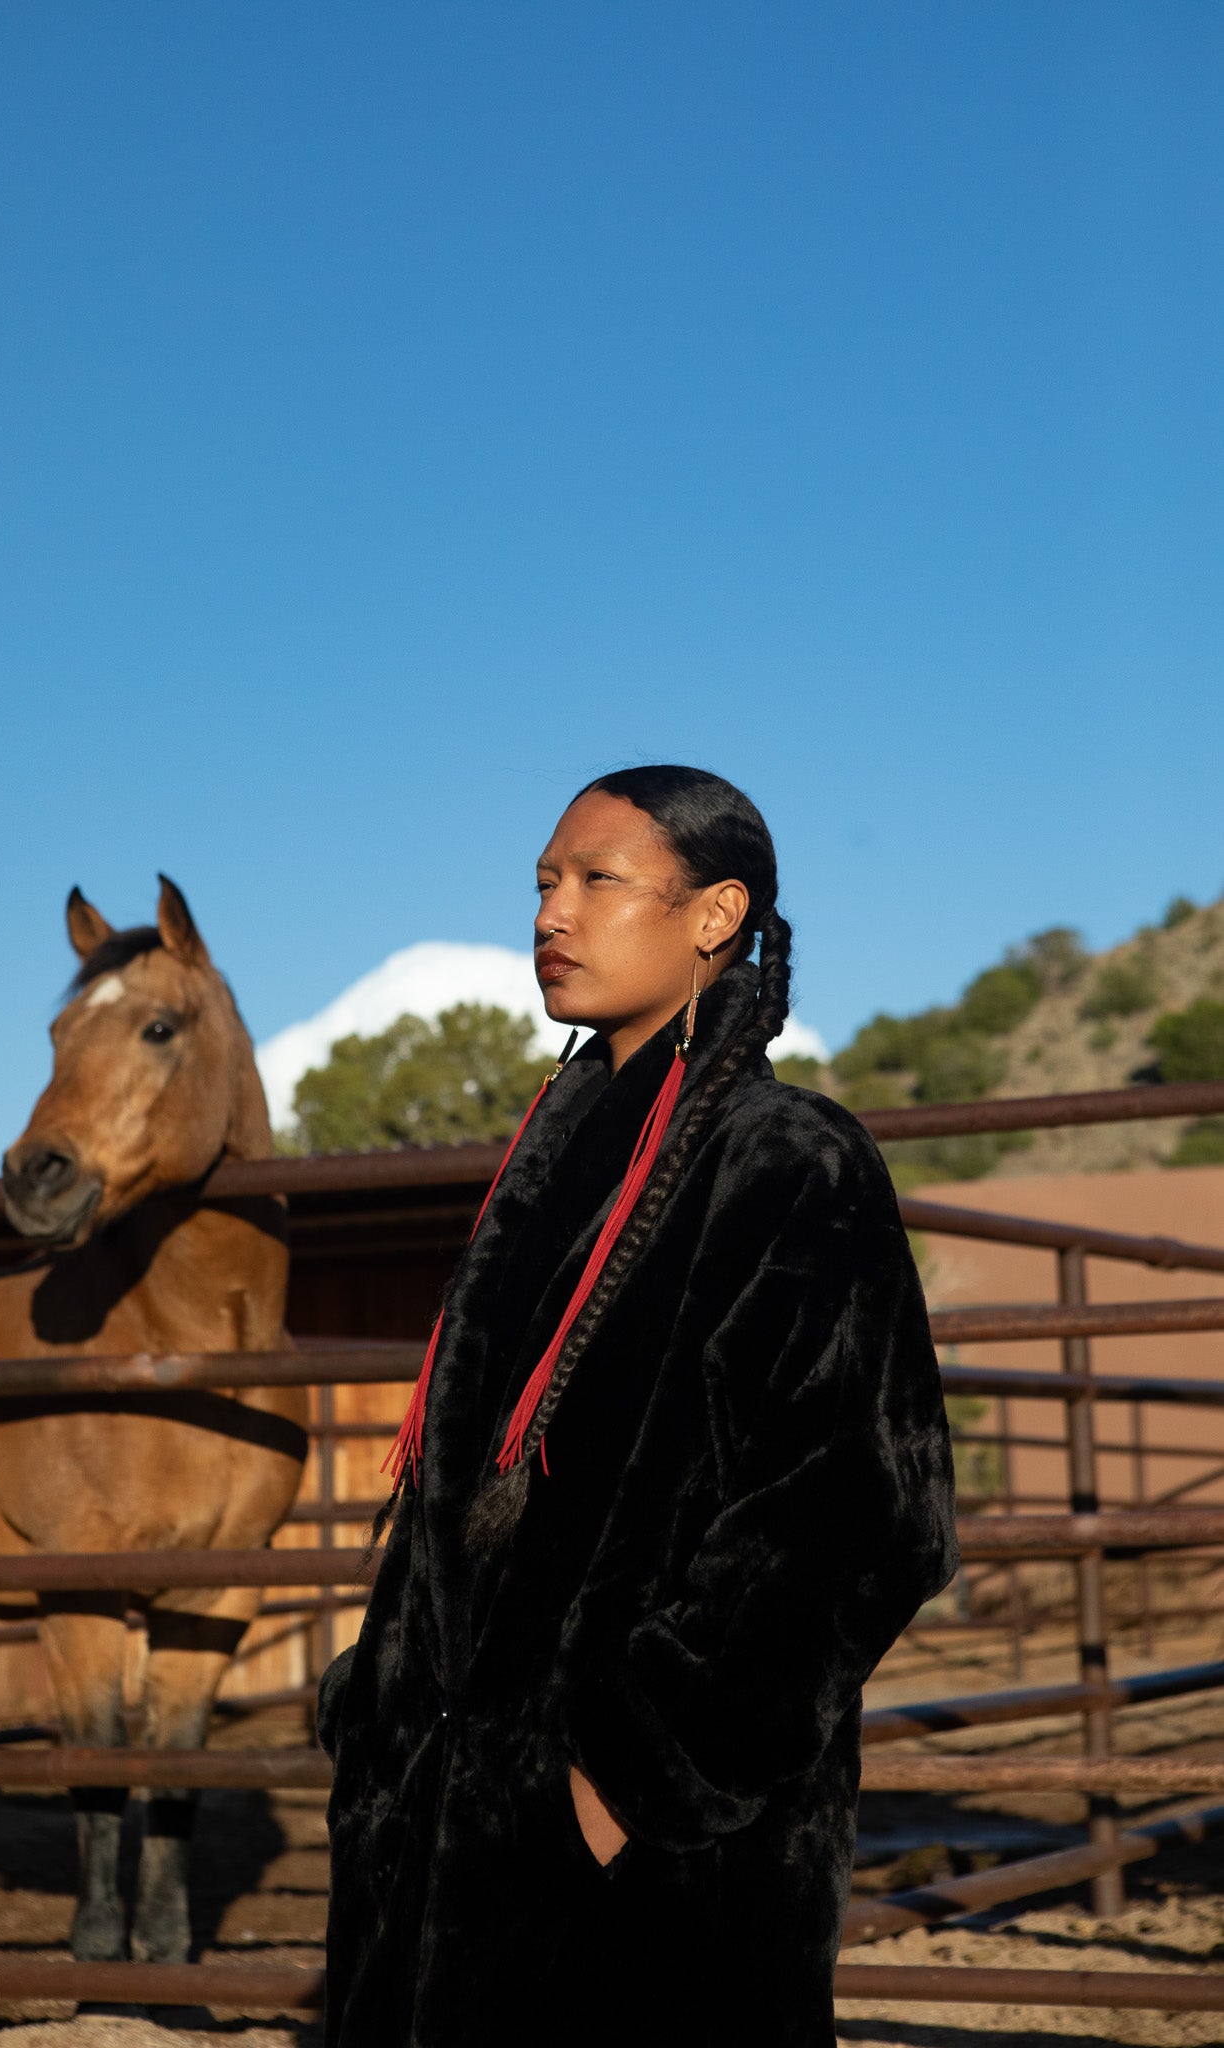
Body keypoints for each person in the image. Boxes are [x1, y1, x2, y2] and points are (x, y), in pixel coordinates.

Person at [316, 765, 957, 2047]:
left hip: (651, 1856)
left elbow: (862, 1509)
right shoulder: (544, 1162)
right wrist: (380, 1715)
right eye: (543, 883)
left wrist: (629, 1779)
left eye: (596, 879)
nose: (553, 911)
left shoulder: (792, 1158)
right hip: (442, 1824)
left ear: (715, 913)